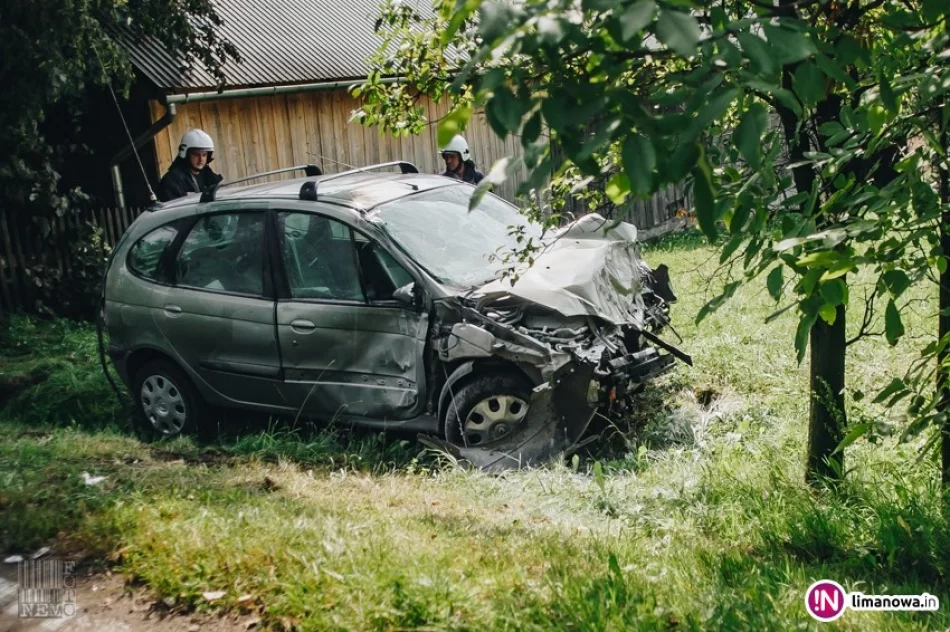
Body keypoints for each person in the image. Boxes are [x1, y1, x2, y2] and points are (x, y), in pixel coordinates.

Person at [158, 129, 224, 202]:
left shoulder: (209, 175)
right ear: (186, 154)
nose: (201, 159)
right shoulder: (172, 181)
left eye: (204, 155)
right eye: (196, 154)